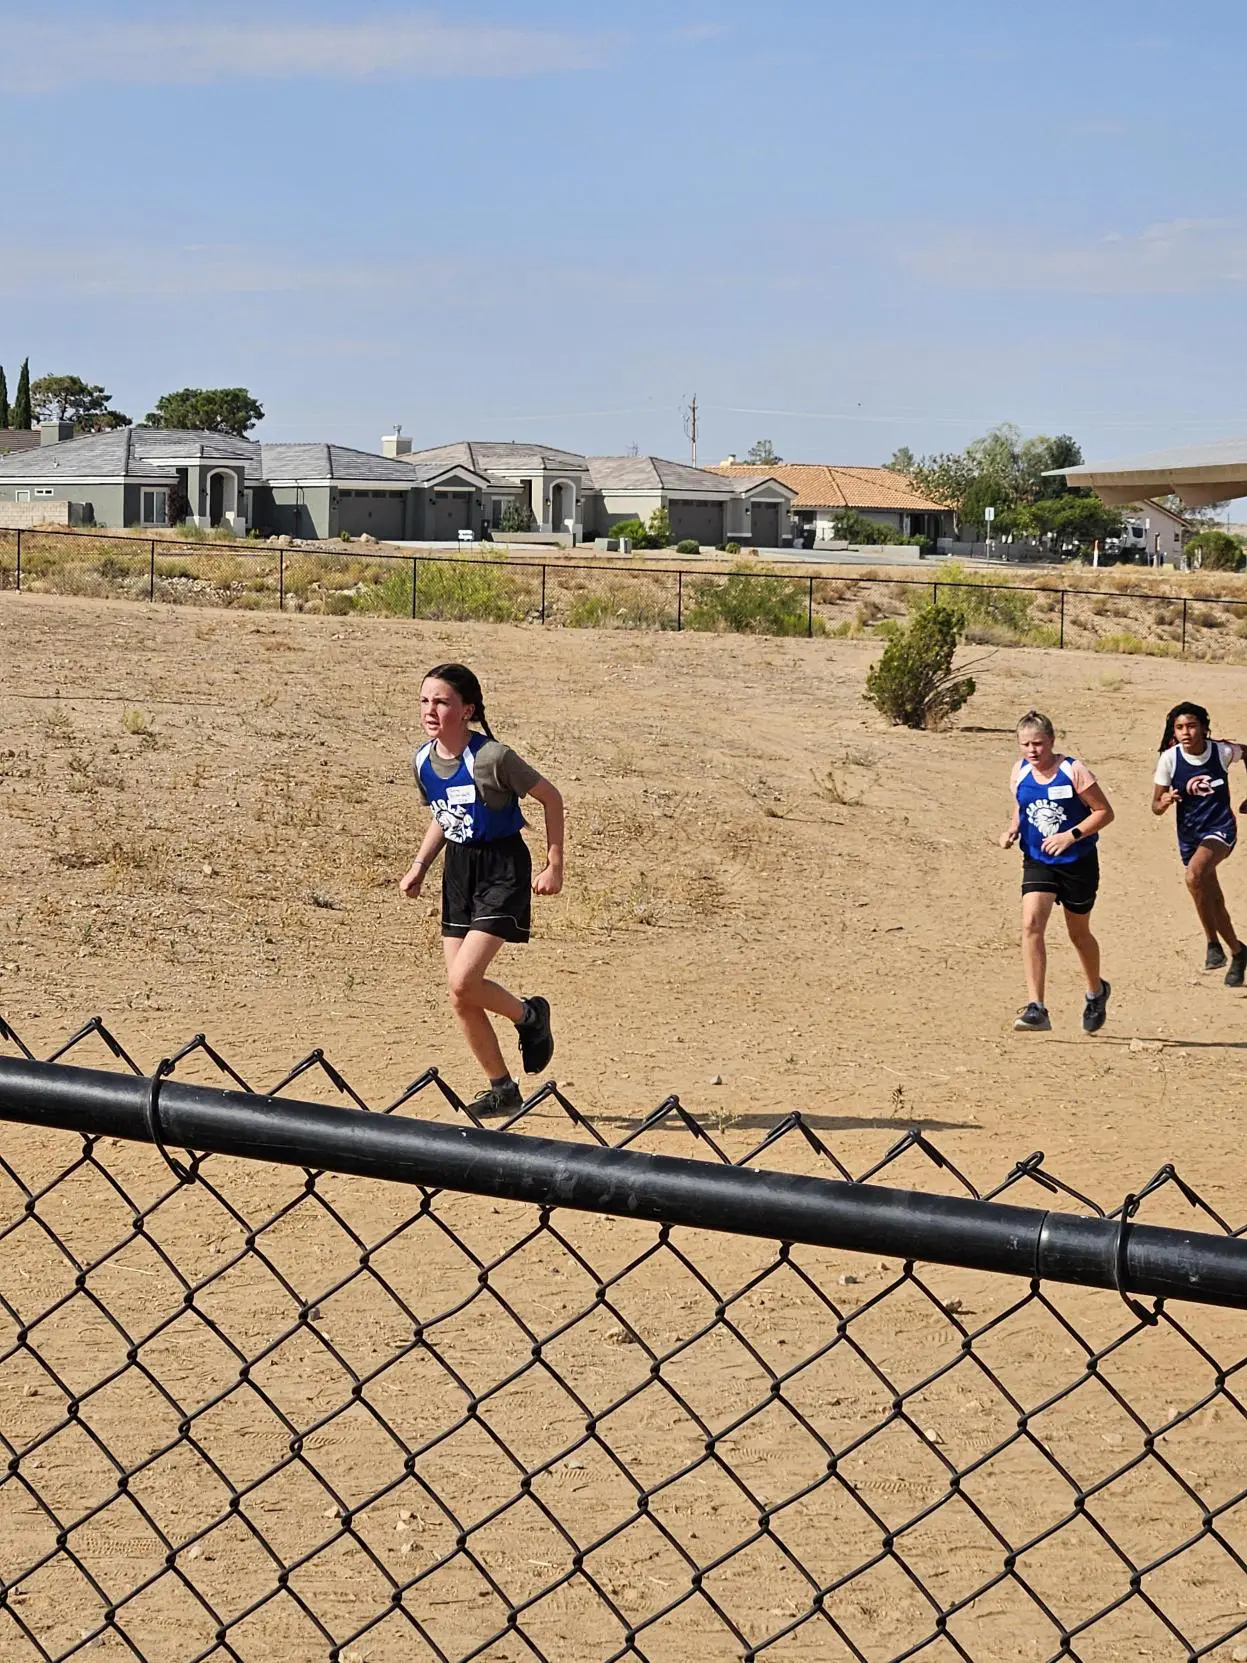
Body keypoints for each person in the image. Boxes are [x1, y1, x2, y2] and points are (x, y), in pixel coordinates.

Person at [399, 663, 564, 1116]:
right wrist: (419, 866)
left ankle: (529, 1016)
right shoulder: (422, 760)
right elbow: (444, 814)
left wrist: (554, 865)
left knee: (463, 980)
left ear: (467, 710)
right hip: (459, 870)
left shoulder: (493, 758)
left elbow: (551, 797)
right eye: (424, 701)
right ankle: (502, 1090)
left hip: (502, 868)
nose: (430, 710)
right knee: (460, 995)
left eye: (442, 702)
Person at [998, 711, 1115, 1033]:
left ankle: (1096, 991)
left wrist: (1070, 836)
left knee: (1078, 934)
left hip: (1078, 861)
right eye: (1025, 744)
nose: (1032, 750)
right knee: (1031, 924)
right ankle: (1037, 1007)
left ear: (1051, 741)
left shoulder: (1072, 771)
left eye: (1038, 744)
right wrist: (1013, 829)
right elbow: (1022, 806)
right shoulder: (1020, 771)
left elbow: (1104, 812)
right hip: (1038, 860)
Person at [1152, 701, 1247, 984]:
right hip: (1190, 835)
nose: (1186, 732)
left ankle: (1212, 944)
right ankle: (1238, 951)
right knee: (1213, 900)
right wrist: (1164, 802)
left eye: (1192, 726)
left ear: (1204, 728)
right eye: (1179, 727)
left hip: (1220, 830)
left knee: (1193, 876)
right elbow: (1155, 805)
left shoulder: (1221, 751)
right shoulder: (1169, 759)